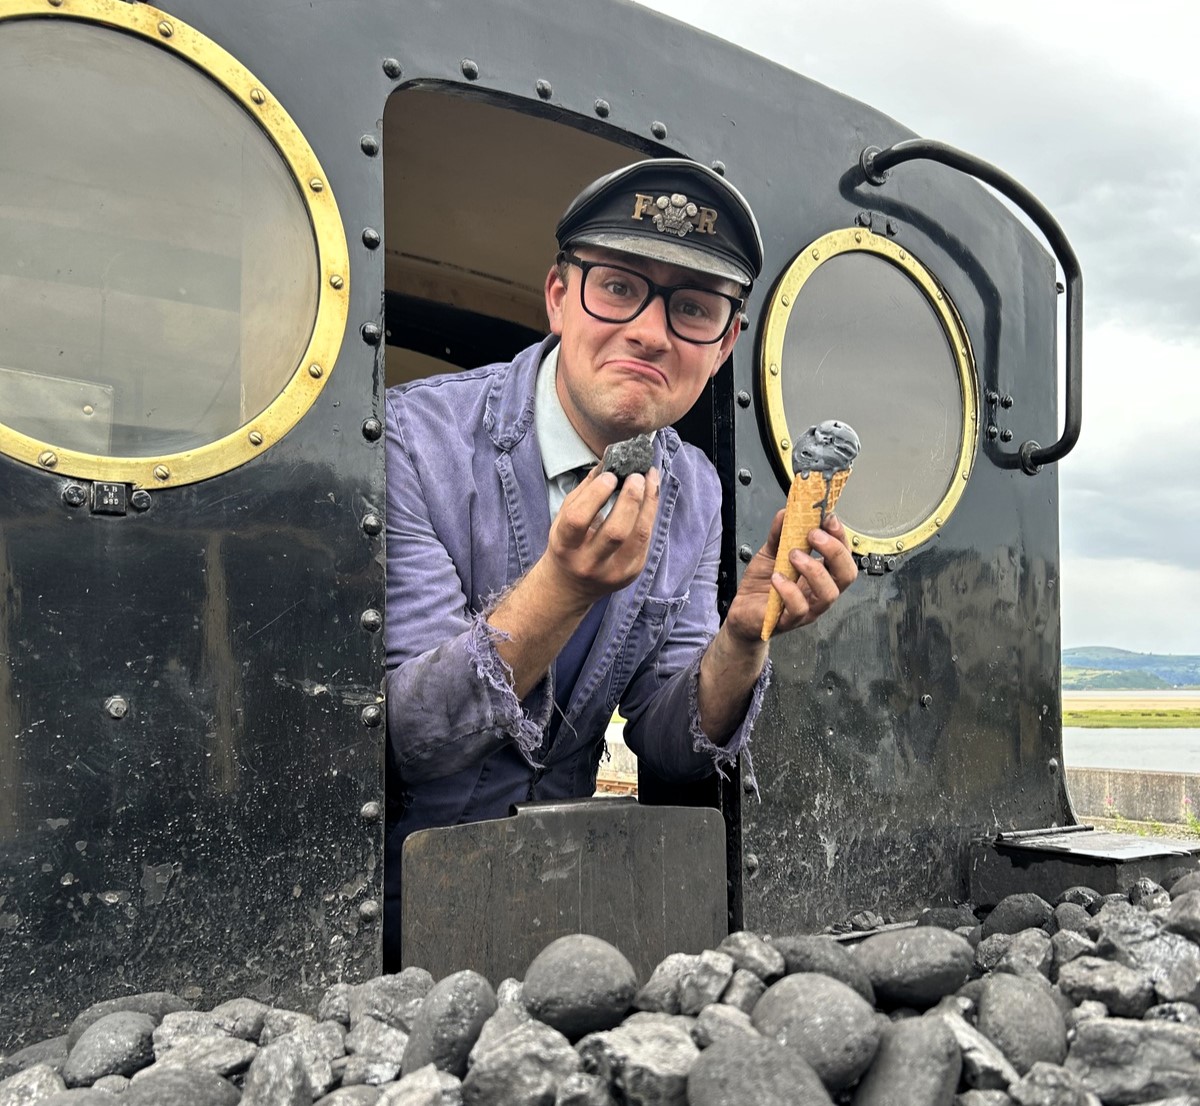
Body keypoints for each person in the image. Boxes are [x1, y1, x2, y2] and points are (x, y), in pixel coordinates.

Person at [382, 158, 857, 965]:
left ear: (725, 344)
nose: (649, 330)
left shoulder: (696, 490)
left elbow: (668, 743)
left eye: (693, 308)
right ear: (560, 297)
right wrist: (562, 589)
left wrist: (744, 638)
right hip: (393, 909)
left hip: (575, 910)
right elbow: (414, 737)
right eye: (618, 287)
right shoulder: (413, 441)